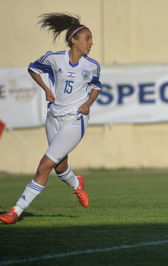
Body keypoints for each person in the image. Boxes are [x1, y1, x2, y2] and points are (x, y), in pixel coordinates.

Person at [0, 12, 102, 224]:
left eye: (91, 39)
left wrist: (87, 104)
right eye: (87, 38)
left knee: (44, 166)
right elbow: (32, 68)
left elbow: (96, 87)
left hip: (75, 119)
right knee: (59, 166)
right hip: (53, 116)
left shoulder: (91, 66)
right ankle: (77, 184)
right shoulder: (54, 59)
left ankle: (16, 210)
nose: (91, 43)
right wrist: (46, 88)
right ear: (73, 39)